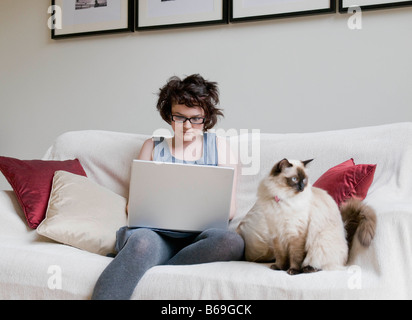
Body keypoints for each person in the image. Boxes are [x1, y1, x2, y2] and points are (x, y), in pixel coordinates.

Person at [92, 74, 245, 300]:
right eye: (180, 117)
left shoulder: (221, 147)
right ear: (169, 116)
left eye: (196, 119)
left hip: (200, 239)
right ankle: (146, 258)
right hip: (156, 236)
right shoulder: (151, 147)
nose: (187, 126)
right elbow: (133, 206)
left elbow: (229, 210)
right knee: (141, 242)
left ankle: (150, 265)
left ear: (206, 118)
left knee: (231, 242)